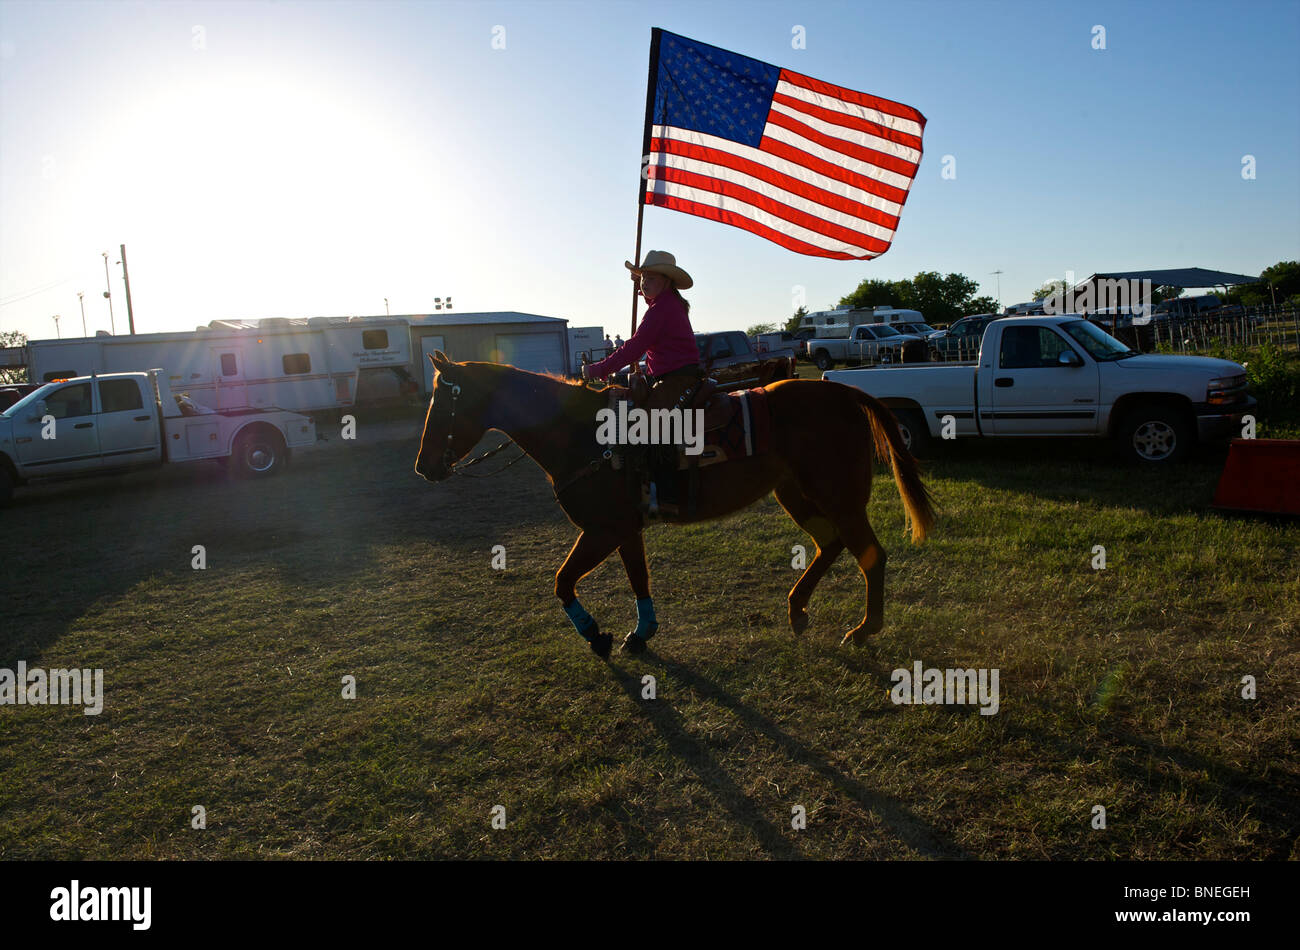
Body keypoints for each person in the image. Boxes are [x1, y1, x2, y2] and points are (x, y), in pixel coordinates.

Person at [582, 250, 703, 513]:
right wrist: (641, 287)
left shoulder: (662, 309)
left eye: (650, 277)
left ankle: (670, 498)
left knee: (648, 426)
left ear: (667, 281)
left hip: (677, 378)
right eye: (641, 278)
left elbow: (634, 348)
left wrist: (598, 369)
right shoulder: (665, 304)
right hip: (669, 376)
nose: (643, 283)